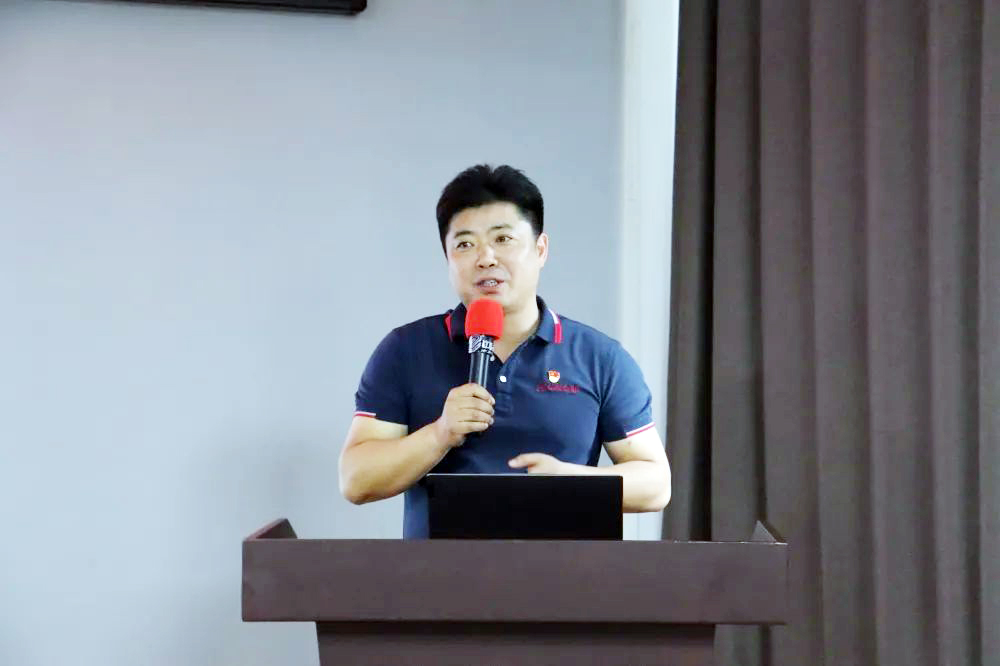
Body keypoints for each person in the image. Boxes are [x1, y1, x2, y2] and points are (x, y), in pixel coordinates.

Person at [339, 164, 671, 538]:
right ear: (447, 257)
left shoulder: (598, 357)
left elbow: (656, 484)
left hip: (564, 572)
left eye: (503, 239)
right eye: (465, 244)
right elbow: (356, 479)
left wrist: (572, 482)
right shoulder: (405, 350)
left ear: (540, 249)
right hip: (436, 573)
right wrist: (439, 434)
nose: (486, 258)